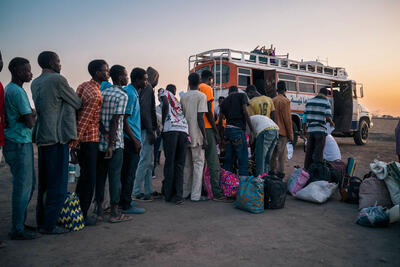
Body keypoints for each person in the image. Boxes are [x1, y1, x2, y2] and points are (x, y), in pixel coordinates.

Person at [31, 51, 82, 234]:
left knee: (44, 184)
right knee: (58, 184)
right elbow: (76, 102)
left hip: (42, 137)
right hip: (56, 137)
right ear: (52, 62)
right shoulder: (57, 80)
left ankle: (42, 220)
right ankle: (50, 225)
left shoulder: (36, 82)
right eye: (59, 61)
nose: (60, 64)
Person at [69, 60, 109, 226]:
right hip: (89, 140)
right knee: (89, 179)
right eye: (105, 71)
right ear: (97, 73)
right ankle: (83, 215)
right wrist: (73, 145)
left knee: (84, 178)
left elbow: (77, 112)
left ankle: (77, 211)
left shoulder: (84, 86)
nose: (107, 73)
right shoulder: (95, 94)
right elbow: (84, 120)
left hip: (85, 139)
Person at [3, 57, 39, 240]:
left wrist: (29, 114)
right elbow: (30, 122)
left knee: (28, 185)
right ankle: (17, 229)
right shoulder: (17, 92)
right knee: (23, 187)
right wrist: (33, 113)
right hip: (18, 143)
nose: (29, 73)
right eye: (26, 70)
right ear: (15, 70)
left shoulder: (10, 90)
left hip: (15, 141)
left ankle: (20, 223)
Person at [95, 65, 131, 223]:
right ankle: (115, 212)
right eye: (126, 75)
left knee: (100, 177)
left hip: (100, 140)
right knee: (115, 177)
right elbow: (116, 120)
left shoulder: (103, 92)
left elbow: (98, 118)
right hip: (115, 144)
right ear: (120, 77)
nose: (127, 78)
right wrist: (111, 143)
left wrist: (104, 134)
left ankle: (98, 209)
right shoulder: (122, 95)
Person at [120, 67, 147, 214]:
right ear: (137, 80)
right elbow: (124, 120)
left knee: (128, 172)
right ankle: (126, 204)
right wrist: (135, 140)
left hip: (133, 138)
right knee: (129, 173)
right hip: (130, 140)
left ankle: (126, 199)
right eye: (144, 79)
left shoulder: (134, 92)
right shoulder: (130, 94)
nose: (146, 82)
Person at [199, 70, 227, 201]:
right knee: (213, 163)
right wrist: (216, 131)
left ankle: (200, 190)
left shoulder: (195, 88)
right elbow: (208, 112)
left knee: (198, 162)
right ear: (210, 79)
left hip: (196, 128)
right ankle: (216, 193)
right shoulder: (207, 88)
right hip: (207, 127)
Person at [159, 84, 188, 205]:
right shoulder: (177, 101)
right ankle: (178, 195)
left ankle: (168, 194)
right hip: (183, 130)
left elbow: (165, 103)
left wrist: (164, 121)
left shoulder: (163, 91)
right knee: (179, 164)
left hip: (171, 130)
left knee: (170, 162)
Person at [181, 73, 208, 202]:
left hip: (185, 134)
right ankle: (195, 195)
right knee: (198, 164)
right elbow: (200, 118)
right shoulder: (201, 96)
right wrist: (205, 136)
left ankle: (185, 192)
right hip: (197, 135)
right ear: (199, 82)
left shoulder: (183, 97)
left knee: (187, 166)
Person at [132, 67, 158, 201]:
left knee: (149, 161)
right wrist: (150, 131)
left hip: (144, 128)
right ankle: (136, 190)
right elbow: (146, 110)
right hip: (145, 129)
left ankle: (149, 190)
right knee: (145, 161)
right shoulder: (148, 89)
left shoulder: (144, 89)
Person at [219, 86, 255, 176]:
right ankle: (243, 187)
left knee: (228, 160)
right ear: (236, 90)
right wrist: (252, 130)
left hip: (228, 131)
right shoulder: (241, 96)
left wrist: (222, 137)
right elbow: (245, 112)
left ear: (228, 92)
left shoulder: (224, 102)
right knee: (243, 160)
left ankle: (227, 185)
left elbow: (220, 120)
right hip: (238, 131)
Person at [304, 87, 334, 170]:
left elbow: (304, 117)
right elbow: (328, 117)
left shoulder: (309, 101)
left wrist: (304, 130)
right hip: (320, 131)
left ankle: (306, 171)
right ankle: (317, 172)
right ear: (326, 95)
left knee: (309, 152)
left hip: (310, 131)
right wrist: (332, 123)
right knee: (319, 153)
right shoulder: (326, 102)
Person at [270, 81, 293, 179]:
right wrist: (290, 135)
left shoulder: (272, 100)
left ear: (276, 90)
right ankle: (280, 173)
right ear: (285, 90)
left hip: (272, 130)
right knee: (281, 155)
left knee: (272, 153)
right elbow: (287, 119)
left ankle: (271, 172)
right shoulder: (285, 101)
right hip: (282, 132)